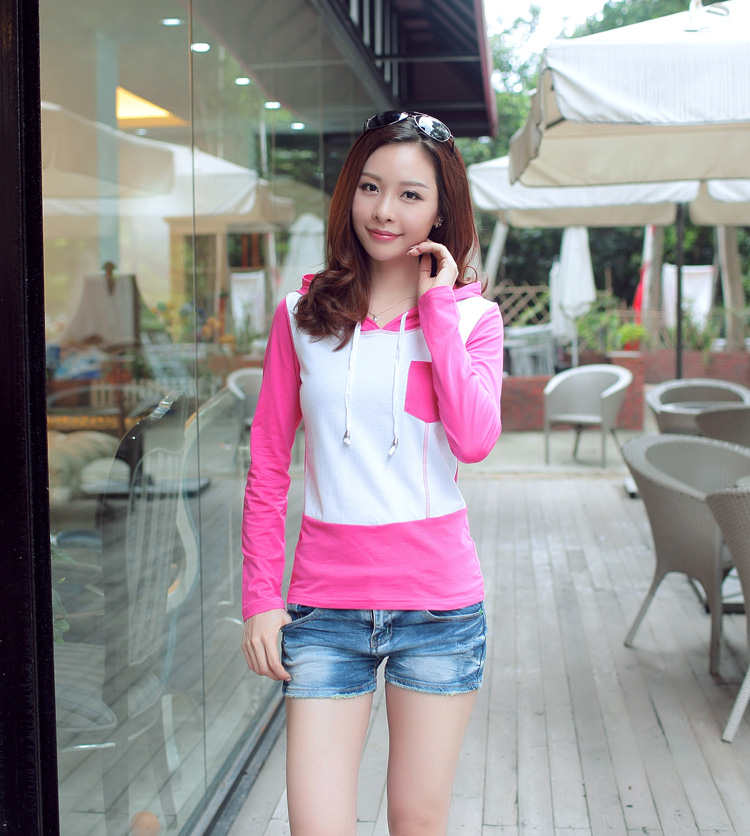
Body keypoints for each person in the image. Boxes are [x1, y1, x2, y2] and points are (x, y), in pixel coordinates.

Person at [241, 110, 504, 836]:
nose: (384, 210)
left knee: (417, 820)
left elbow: (474, 441)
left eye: (410, 195)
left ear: (441, 210)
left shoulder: (473, 320)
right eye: (369, 187)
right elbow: (268, 464)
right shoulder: (302, 315)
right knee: (316, 824)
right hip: (325, 610)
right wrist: (261, 597)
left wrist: (437, 308)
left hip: (439, 609)